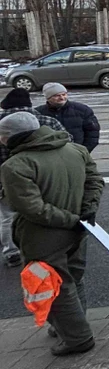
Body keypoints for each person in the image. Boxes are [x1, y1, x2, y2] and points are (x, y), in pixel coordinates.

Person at [0, 112, 104, 356]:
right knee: (74, 277)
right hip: (79, 230)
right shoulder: (75, 150)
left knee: (54, 285)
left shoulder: (16, 165)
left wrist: (71, 220)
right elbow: (94, 181)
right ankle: (72, 325)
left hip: (43, 235)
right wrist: (87, 212)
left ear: (9, 138)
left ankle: (77, 337)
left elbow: (31, 208)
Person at [1, 89, 67, 268]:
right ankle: (53, 247)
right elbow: (67, 142)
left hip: (5, 181)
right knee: (45, 210)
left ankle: (12, 251)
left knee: (8, 216)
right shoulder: (47, 120)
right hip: (45, 176)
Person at [34, 83, 100, 152]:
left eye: (64, 94)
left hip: (78, 152)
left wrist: (84, 151)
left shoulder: (82, 110)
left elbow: (92, 133)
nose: (62, 98)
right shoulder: (38, 113)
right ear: (48, 98)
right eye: (57, 96)